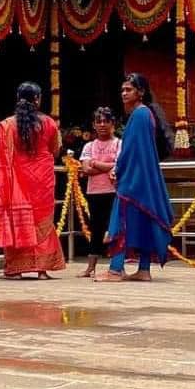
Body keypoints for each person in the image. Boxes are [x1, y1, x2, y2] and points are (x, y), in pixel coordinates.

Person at [99, 73, 174, 283]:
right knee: (142, 220)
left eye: (128, 90)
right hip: (142, 177)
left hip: (134, 179)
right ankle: (143, 270)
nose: (124, 94)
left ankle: (116, 269)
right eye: (122, 90)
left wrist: (118, 169)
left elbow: (130, 150)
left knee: (121, 219)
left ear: (140, 92)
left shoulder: (140, 114)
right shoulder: (145, 113)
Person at [0, 81, 65, 280]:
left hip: (17, 180)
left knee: (19, 222)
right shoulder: (49, 123)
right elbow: (55, 150)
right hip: (42, 179)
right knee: (42, 223)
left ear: (18, 98)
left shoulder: (6, 125)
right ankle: (42, 270)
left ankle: (15, 270)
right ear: (38, 99)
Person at [78, 107, 121, 279]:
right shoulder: (89, 145)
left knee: (115, 228)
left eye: (106, 121)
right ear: (94, 125)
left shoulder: (119, 143)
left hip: (114, 191)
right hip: (94, 192)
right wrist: (106, 166)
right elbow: (86, 169)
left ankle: (115, 265)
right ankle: (90, 267)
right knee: (95, 228)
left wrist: (96, 162)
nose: (102, 125)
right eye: (99, 121)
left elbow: (119, 164)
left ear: (113, 124)